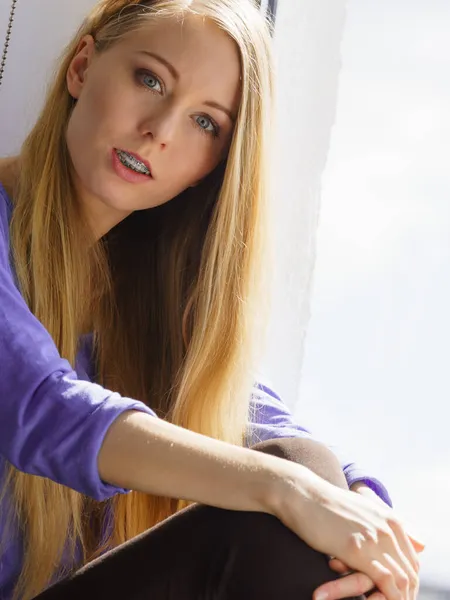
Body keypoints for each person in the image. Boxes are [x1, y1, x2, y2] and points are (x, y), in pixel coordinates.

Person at [0, 0, 423, 598]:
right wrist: (288, 490)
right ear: (82, 66)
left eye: (206, 123)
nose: (162, 130)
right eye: (150, 79)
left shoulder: (144, 296)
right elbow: (42, 410)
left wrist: (361, 509)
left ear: (212, 167)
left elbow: (267, 424)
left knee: (306, 467)